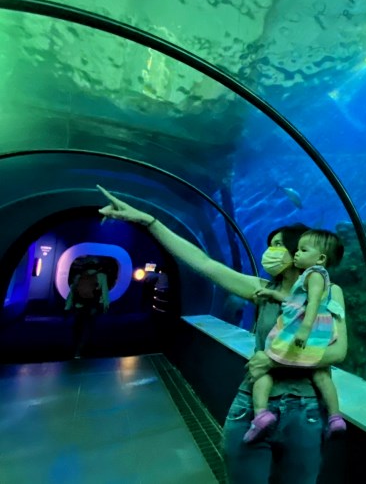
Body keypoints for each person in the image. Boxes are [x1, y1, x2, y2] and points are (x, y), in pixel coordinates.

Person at [96, 185, 347, 484]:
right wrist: (148, 220)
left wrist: (274, 362)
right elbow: (205, 263)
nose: (271, 251)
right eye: (271, 244)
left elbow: (337, 351)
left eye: (279, 244)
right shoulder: (261, 290)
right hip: (253, 405)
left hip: (305, 409)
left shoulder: (330, 293)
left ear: (299, 253)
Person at [244, 229, 347, 443]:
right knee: (321, 374)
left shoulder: (314, 275)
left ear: (320, 258)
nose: (297, 254)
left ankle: (261, 415)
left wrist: (304, 328)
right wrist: (273, 294)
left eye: (302, 250)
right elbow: (294, 301)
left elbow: (312, 304)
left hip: (304, 329)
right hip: (319, 332)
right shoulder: (313, 277)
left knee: (264, 363)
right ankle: (335, 417)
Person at [65, 256, 110, 359]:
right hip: (92, 307)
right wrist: (105, 305)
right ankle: (80, 351)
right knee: (88, 328)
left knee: (78, 328)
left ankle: (76, 348)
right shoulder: (102, 276)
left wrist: (67, 307)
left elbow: (72, 293)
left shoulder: (78, 276)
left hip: (78, 306)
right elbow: (105, 293)